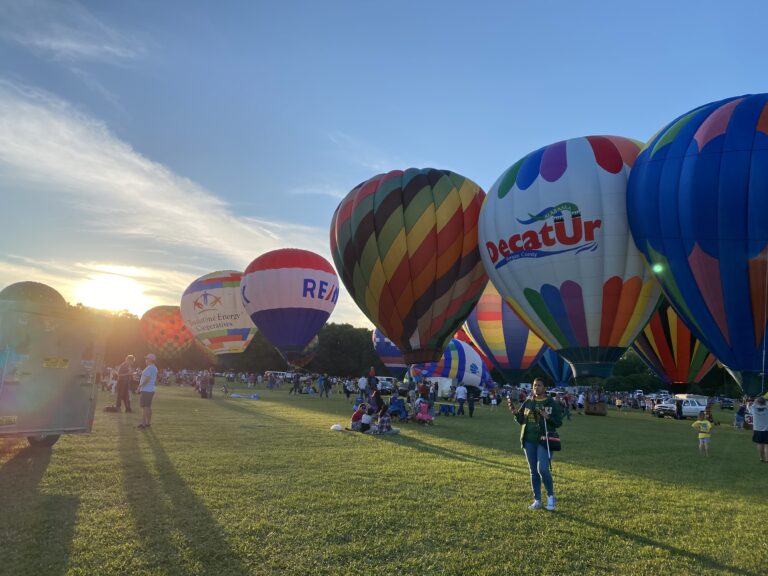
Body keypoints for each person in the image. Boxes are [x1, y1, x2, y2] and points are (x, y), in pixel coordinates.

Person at [510, 377, 562, 511]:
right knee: (533, 471)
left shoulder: (551, 402)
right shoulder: (528, 401)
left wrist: (547, 417)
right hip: (528, 440)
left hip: (544, 440)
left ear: (545, 388)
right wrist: (515, 413)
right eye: (534, 385)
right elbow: (522, 420)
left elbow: (558, 422)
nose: (536, 387)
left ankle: (551, 497)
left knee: (543, 469)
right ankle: (537, 500)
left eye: (539, 385)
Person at [137, 354, 158, 429]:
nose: (145, 360)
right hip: (151, 389)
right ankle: (148, 423)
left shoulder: (149, 368)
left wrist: (140, 386)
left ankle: (143, 424)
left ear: (150, 360)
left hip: (146, 389)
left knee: (145, 407)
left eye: (147, 359)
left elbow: (147, 379)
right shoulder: (154, 367)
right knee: (148, 407)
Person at [751, 396, 768, 463]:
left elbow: (753, 404)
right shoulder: (767, 408)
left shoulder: (753, 408)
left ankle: (761, 458)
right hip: (767, 429)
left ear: (757, 402)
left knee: (759, 444)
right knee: (766, 445)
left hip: (757, 430)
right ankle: (767, 459)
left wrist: (755, 401)